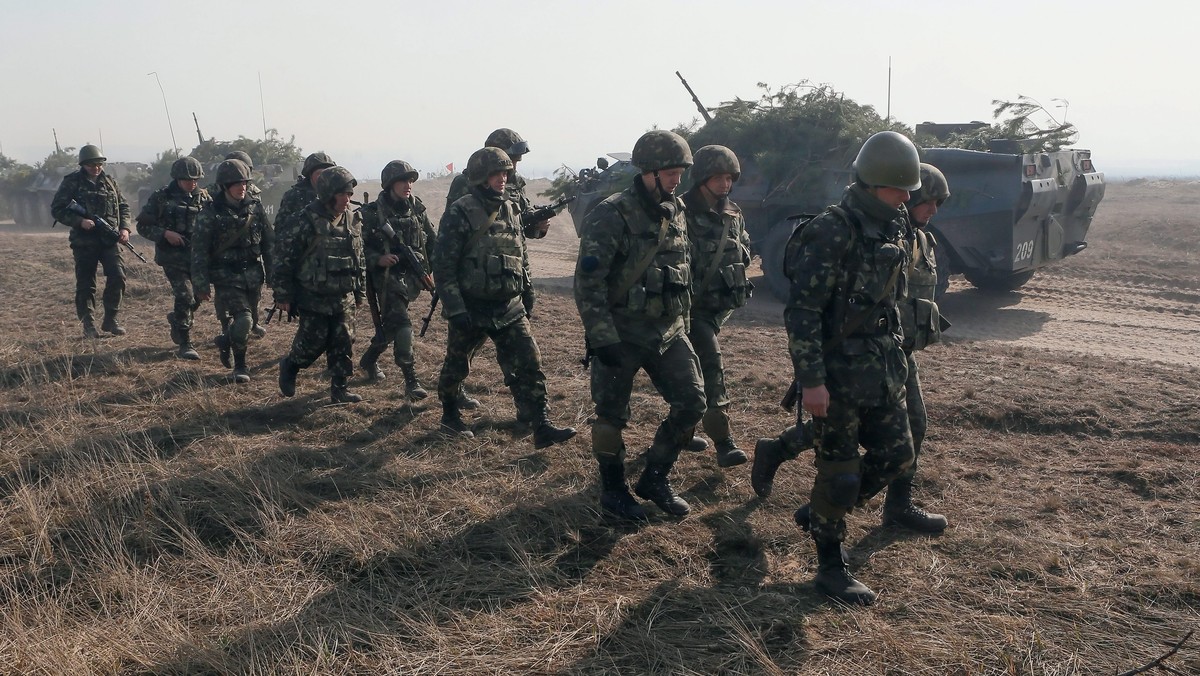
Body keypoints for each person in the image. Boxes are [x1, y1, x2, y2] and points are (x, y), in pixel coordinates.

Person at [766, 130, 921, 605]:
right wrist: (811, 380)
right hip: (837, 375)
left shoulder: (893, 225)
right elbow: (803, 312)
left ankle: (821, 512)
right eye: (899, 189)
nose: (906, 198)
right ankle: (831, 568)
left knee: (898, 456)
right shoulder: (832, 229)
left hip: (883, 367)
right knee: (840, 473)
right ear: (872, 183)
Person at [574, 129, 706, 520]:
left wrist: (683, 323)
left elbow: (683, 271)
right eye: (670, 172)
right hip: (621, 333)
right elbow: (588, 282)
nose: (677, 179)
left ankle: (655, 477)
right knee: (611, 416)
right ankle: (613, 492)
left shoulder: (677, 210)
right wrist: (602, 338)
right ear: (648, 172)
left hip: (668, 332)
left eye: (681, 171)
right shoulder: (611, 213)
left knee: (693, 402)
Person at [433, 147, 576, 449]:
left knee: (530, 362)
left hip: (508, 305)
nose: (503, 178)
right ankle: (449, 414)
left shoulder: (511, 209)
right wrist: (455, 307)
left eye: (506, 172)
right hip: (471, 306)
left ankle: (541, 424)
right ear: (481, 176)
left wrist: (527, 292)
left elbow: (519, 254)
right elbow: (444, 265)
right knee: (457, 366)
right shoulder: (460, 211)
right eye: (497, 173)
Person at [884, 162, 952, 533]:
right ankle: (779, 450)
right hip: (874, 353)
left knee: (915, 425)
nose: (933, 210)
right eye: (928, 201)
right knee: (841, 433)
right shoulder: (883, 240)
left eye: (938, 203)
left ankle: (898, 506)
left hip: (903, 353)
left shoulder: (923, 241)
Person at [682, 145, 754, 468]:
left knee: (687, 376)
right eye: (719, 178)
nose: (725, 184)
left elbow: (744, 248)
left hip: (716, 309)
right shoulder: (681, 213)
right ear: (702, 178)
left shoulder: (733, 213)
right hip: (689, 309)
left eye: (729, 178)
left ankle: (681, 429)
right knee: (711, 367)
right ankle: (724, 443)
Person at [274, 166, 366, 404]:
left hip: (343, 295)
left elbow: (359, 257)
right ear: (328, 194)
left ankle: (340, 389)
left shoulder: (353, 220)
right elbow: (284, 259)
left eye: (349, 193)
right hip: (313, 296)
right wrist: (283, 294)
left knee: (344, 341)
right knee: (312, 343)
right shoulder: (303, 221)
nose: (348, 199)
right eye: (342, 194)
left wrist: (360, 290)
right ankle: (291, 365)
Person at [358, 160, 437, 397]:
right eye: (403, 180)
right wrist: (377, 259)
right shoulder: (372, 213)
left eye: (411, 180)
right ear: (390, 184)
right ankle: (411, 381)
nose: (408, 185)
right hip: (385, 280)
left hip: (411, 277)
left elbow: (432, 242)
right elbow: (356, 247)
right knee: (403, 326)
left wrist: (431, 268)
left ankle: (368, 360)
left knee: (391, 327)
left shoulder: (417, 210)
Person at [192, 159, 273, 383]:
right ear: (225, 186)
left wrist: (274, 275)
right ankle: (240, 366)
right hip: (226, 277)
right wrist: (201, 284)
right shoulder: (210, 213)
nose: (242, 187)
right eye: (236, 183)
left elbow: (268, 244)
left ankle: (226, 340)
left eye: (244, 183)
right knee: (244, 320)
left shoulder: (255, 208)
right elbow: (198, 251)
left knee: (249, 321)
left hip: (253, 276)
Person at [50, 144, 132, 338]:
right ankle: (88, 324)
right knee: (86, 283)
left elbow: (124, 206)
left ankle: (111, 319)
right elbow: (57, 209)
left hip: (109, 241)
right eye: (91, 165)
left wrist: (125, 228)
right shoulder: (72, 182)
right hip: (85, 242)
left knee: (118, 276)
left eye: (99, 164)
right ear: (83, 164)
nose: (96, 168)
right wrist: (79, 221)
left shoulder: (110, 182)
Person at [135, 156, 211, 359]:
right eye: (188, 179)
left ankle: (177, 319)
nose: (192, 183)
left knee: (197, 296)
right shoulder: (161, 197)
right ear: (177, 178)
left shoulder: (204, 198)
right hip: (172, 259)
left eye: (196, 179)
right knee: (185, 295)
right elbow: (142, 226)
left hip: (197, 259)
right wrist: (165, 234)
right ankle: (185, 343)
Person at [445, 128, 553, 239]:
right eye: (511, 161)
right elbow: (450, 229)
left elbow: (521, 223)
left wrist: (538, 226)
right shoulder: (466, 182)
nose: (514, 167)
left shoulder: (516, 182)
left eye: (516, 162)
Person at [208, 150, 267, 339]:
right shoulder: (213, 193)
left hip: (249, 258)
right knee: (227, 298)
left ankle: (251, 322)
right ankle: (227, 325)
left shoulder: (254, 194)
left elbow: (262, 228)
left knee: (253, 295)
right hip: (224, 261)